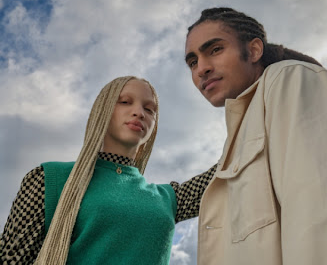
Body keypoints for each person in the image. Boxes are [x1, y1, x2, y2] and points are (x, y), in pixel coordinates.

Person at [185, 7, 327, 265]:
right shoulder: (244, 131)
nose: (202, 68)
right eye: (192, 62)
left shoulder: (288, 80)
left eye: (215, 50)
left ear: (254, 50)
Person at [1, 76, 216, 265]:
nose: (139, 113)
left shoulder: (170, 199)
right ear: (102, 109)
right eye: (125, 102)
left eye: (149, 109)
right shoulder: (50, 179)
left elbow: (232, 168)